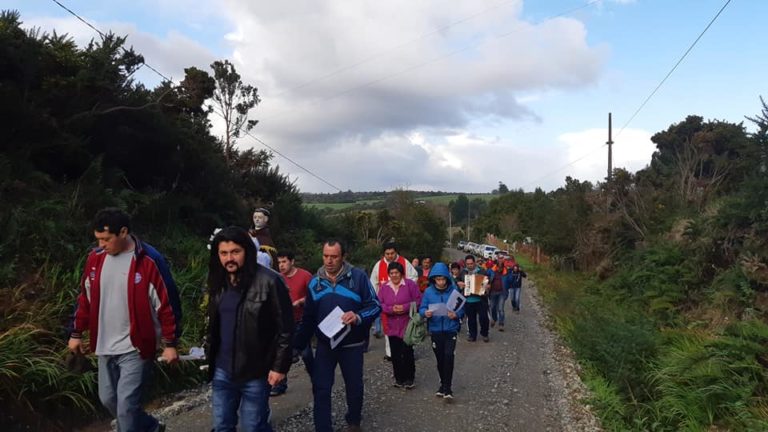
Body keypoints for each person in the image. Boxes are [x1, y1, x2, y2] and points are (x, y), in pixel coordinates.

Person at [68, 208, 182, 432]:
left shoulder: (149, 260)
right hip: (104, 344)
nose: (101, 244)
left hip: (136, 346)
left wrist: (170, 343)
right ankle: (151, 427)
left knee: (126, 408)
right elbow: (85, 298)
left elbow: (167, 303)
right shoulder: (95, 259)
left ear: (123, 232)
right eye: (98, 239)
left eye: (106, 239)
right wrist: (75, 333)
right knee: (109, 400)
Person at [206, 226, 294, 431]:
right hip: (222, 370)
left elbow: (286, 329)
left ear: (247, 251)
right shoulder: (217, 282)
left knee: (253, 426)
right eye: (224, 253)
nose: (229, 258)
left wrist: (279, 367)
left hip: (256, 370)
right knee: (221, 426)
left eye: (235, 252)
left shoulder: (270, 282)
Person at [295, 239, 381, 432]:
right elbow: (308, 318)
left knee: (354, 387)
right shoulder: (314, 283)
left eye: (334, 256)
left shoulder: (358, 278)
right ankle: (323, 427)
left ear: (343, 257)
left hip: (352, 344)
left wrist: (358, 316)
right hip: (325, 345)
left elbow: (375, 306)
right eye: (326, 256)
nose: (329, 261)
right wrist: (296, 345)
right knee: (321, 387)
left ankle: (353, 421)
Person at [270, 250, 314, 396]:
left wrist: (301, 301)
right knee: (282, 352)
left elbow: (315, 295)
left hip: (302, 319)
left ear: (292, 261)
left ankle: (316, 379)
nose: (281, 265)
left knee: (306, 353)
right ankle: (280, 384)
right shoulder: (277, 278)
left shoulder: (305, 276)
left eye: (284, 262)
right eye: (279, 262)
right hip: (283, 321)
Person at [419, 262, 464, 400]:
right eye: (438, 279)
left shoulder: (453, 290)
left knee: (449, 356)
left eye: (443, 279)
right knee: (440, 359)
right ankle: (442, 383)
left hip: (451, 329)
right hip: (435, 329)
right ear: (433, 279)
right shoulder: (428, 292)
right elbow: (422, 308)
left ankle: (448, 387)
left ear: (447, 278)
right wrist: (425, 313)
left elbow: (462, 307)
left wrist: (456, 315)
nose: (441, 282)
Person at [369, 242, 418, 359]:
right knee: (388, 327)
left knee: (406, 329)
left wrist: (402, 285)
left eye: (392, 253)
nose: (390, 256)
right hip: (387, 302)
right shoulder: (379, 265)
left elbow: (414, 276)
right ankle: (390, 353)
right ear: (383, 254)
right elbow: (373, 283)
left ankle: (406, 351)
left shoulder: (404, 262)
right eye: (387, 254)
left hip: (403, 302)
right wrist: (376, 299)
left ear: (396, 252)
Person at [377, 261, 422, 389]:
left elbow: (418, 301)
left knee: (407, 352)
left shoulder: (410, 285)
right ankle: (399, 378)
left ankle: (409, 378)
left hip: (407, 325)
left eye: (396, 273)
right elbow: (379, 304)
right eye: (391, 273)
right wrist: (391, 309)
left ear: (401, 273)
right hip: (391, 326)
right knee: (395, 354)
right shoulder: (384, 287)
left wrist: (405, 307)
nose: (394, 275)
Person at [460, 255, 490, 342]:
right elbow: (457, 281)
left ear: (475, 263)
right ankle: (472, 335)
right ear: (465, 264)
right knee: (471, 319)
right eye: (468, 264)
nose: (469, 265)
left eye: (471, 263)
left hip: (480, 299)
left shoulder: (482, 271)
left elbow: (487, 282)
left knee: (484, 318)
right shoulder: (463, 272)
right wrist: (460, 283)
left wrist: (487, 286)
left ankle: (485, 334)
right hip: (468, 300)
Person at [487, 255, 511, 332]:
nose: (500, 267)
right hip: (493, 292)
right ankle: (494, 318)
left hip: (502, 293)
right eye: (499, 261)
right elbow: (486, 276)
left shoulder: (507, 272)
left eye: (502, 261)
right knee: (492, 307)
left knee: (500, 308)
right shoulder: (491, 271)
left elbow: (510, 282)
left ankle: (501, 324)